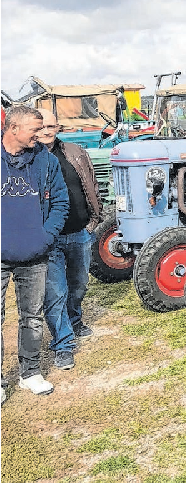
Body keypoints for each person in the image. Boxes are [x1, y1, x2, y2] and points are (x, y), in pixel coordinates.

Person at [1, 106, 69, 402]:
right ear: (13, 128)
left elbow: (60, 204)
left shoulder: (46, 160)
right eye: (34, 129)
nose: (40, 135)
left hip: (35, 256)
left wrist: (45, 238)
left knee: (32, 317)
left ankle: (30, 373)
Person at [36, 110, 102, 371]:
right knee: (55, 292)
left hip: (80, 231)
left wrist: (93, 220)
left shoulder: (75, 151)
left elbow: (91, 184)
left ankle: (74, 318)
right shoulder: (30, 158)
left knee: (79, 285)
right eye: (42, 126)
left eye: (51, 126)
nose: (46, 131)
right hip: (49, 238)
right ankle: (63, 344)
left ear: (58, 127)